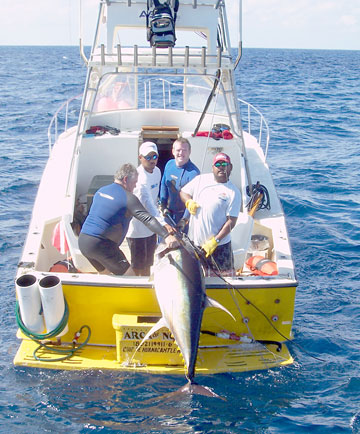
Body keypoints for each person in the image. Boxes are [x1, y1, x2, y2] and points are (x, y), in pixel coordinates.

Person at [78, 163, 179, 275]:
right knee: (130, 277)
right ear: (126, 179)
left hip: (83, 242)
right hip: (102, 245)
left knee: (106, 276)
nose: (135, 186)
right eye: (134, 182)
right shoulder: (128, 198)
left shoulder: (101, 191)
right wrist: (166, 236)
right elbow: (147, 218)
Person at [179, 153, 241, 274]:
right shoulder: (200, 180)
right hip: (195, 244)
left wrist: (215, 241)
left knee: (224, 280)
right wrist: (189, 202)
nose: (221, 167)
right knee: (196, 278)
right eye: (218, 164)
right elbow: (183, 192)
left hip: (219, 247)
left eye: (225, 164)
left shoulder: (233, 192)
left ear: (231, 167)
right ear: (212, 167)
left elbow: (231, 222)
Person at [126, 142, 172, 276]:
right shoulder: (139, 178)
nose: (152, 160)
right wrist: (163, 224)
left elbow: (155, 198)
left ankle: (145, 284)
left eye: (154, 157)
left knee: (148, 263)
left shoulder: (157, 171)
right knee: (138, 265)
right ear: (140, 158)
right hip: (136, 230)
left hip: (151, 227)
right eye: (148, 157)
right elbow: (148, 204)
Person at [159, 138, 200, 227]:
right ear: (173, 151)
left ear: (189, 152)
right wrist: (163, 204)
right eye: (178, 150)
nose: (181, 153)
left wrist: (184, 219)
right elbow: (163, 185)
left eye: (184, 150)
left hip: (183, 218)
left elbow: (194, 199)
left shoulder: (194, 173)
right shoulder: (169, 164)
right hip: (168, 214)